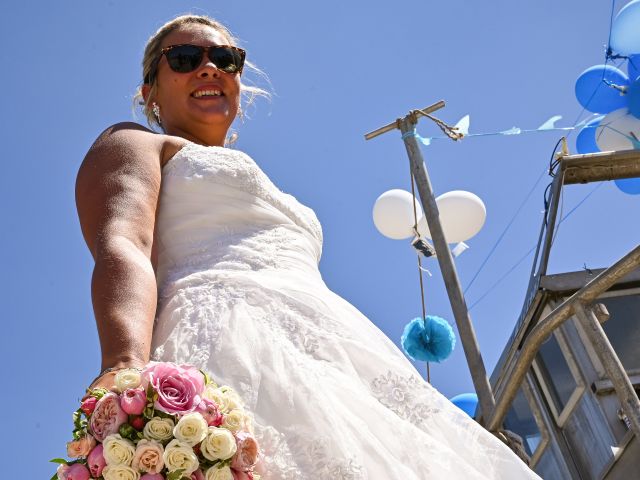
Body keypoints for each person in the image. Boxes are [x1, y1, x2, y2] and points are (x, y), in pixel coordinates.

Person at [76, 14, 541, 479]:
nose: (209, 68)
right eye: (184, 58)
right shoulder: (134, 142)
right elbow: (124, 244)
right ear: (149, 93)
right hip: (228, 335)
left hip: (332, 343)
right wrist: (124, 369)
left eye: (225, 58)